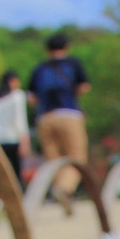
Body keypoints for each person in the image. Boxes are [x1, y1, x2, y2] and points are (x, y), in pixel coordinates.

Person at [28, 32, 90, 216]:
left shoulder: (39, 69)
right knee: (77, 158)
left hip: (44, 119)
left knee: (54, 162)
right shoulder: (73, 64)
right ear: (67, 47)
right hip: (68, 114)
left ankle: (62, 192)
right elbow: (84, 87)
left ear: (47, 49)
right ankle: (64, 189)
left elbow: (31, 98)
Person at [0, 70, 31, 224]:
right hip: (12, 140)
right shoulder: (17, 96)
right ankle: (21, 210)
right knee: (15, 177)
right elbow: (20, 120)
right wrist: (24, 141)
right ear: (12, 81)